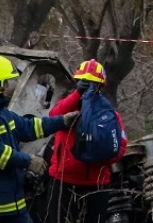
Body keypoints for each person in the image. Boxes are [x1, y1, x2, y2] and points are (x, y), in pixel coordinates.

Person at [0, 54, 77, 223]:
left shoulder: (1, 113)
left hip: (13, 206)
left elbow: (29, 127)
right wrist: (28, 160)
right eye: (7, 82)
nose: (12, 86)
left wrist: (62, 121)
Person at [37, 59, 127, 223]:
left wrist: (101, 159)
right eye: (83, 82)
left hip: (97, 182)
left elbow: (121, 146)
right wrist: (76, 95)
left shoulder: (109, 115)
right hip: (64, 180)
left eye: (92, 83)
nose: (88, 87)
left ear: (100, 86)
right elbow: (53, 116)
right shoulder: (67, 108)